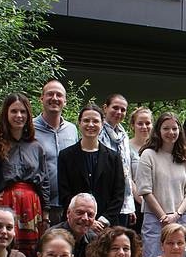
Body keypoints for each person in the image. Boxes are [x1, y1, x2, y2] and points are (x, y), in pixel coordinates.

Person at [0, 93, 49, 257]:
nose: (19, 116)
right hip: (4, 204)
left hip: (32, 207)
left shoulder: (36, 147)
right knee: (2, 250)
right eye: (14, 111)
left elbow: (44, 180)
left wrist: (45, 214)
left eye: (23, 112)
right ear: (6, 114)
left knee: (31, 253)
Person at [135, 111, 186, 257]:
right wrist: (164, 217)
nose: (171, 132)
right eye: (166, 128)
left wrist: (177, 215)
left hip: (181, 219)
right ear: (158, 131)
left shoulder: (185, 158)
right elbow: (145, 190)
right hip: (155, 220)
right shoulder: (148, 155)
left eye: (174, 129)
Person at [58, 104, 125, 226]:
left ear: (102, 124)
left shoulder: (113, 157)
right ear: (79, 123)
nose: (90, 125)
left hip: (106, 226)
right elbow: (64, 193)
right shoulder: (66, 156)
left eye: (95, 121)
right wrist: (87, 219)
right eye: (86, 120)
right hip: (75, 224)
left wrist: (103, 220)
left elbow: (119, 194)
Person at [33, 79, 78, 226]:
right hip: (39, 204)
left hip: (68, 205)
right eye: (50, 94)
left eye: (59, 95)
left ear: (65, 101)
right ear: (42, 98)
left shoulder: (72, 130)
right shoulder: (30, 129)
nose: (54, 98)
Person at [99, 94, 136, 227]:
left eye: (123, 109)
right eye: (115, 108)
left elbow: (126, 171)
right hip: (104, 202)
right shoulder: (97, 132)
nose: (119, 112)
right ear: (105, 108)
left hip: (122, 202)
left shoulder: (123, 136)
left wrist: (129, 204)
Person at [49, 193, 99, 257]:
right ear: (68, 213)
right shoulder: (52, 238)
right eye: (79, 212)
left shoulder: (94, 240)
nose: (85, 218)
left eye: (90, 215)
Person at [128, 106, 153, 234]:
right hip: (137, 203)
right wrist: (144, 201)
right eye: (140, 123)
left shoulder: (157, 146)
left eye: (147, 123)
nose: (144, 126)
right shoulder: (126, 146)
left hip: (157, 203)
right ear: (133, 125)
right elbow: (128, 177)